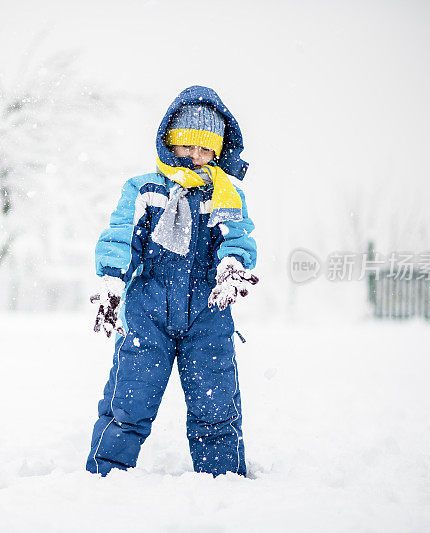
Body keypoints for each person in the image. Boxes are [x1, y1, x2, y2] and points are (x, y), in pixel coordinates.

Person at [87, 85, 258, 477]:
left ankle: (224, 481)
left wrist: (232, 266)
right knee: (128, 402)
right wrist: (112, 281)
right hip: (148, 313)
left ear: (217, 152)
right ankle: (103, 477)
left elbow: (237, 236)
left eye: (205, 148)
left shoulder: (224, 193)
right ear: (169, 142)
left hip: (208, 314)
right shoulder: (145, 189)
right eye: (186, 145)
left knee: (215, 408)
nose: (195, 156)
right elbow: (120, 234)